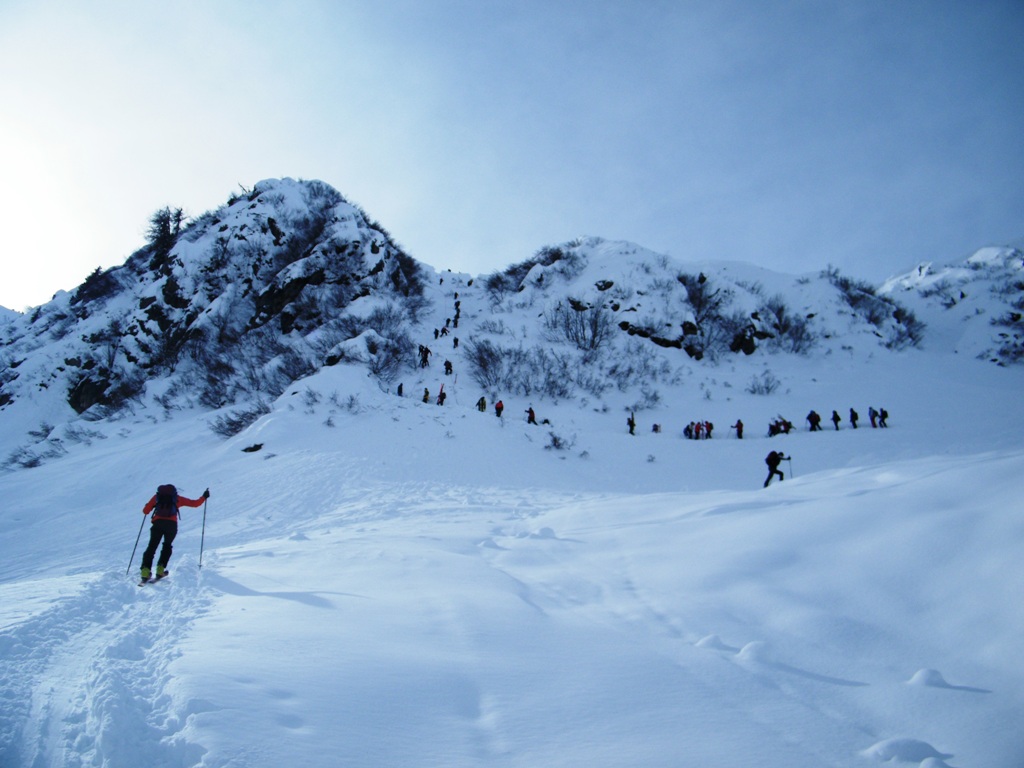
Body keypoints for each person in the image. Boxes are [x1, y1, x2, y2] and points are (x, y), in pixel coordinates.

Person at [140, 484, 209, 581]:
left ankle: (145, 572)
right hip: (171, 525)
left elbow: (145, 511)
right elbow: (195, 503)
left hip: (157, 524)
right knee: (167, 546)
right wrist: (204, 497)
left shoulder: (157, 497)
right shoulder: (177, 498)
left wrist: (149, 506)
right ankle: (160, 570)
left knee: (152, 546)